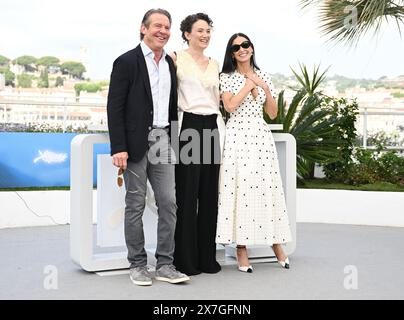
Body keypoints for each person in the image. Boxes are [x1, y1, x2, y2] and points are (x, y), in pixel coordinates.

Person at [106, 8, 190, 286]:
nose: (162, 31)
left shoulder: (169, 64)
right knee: (135, 204)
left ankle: (165, 263)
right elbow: (114, 108)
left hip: (163, 141)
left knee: (169, 202)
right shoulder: (126, 62)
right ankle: (138, 265)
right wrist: (119, 146)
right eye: (157, 25)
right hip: (134, 142)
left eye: (167, 27)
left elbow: (171, 107)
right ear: (143, 28)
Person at [215, 33, 293, 273]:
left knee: (266, 188)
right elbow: (229, 106)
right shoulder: (226, 77)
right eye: (236, 46)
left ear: (252, 48)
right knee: (241, 188)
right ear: (231, 53)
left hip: (260, 135)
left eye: (245, 44)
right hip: (238, 134)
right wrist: (249, 84)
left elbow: (271, 113)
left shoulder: (265, 76)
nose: (242, 49)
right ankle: (241, 248)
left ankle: (276, 243)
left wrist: (265, 89)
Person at [169, 13, 225, 275]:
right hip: (188, 125)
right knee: (188, 195)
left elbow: (220, 100)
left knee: (209, 195)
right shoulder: (176, 58)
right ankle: (185, 260)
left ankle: (207, 259)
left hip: (212, 126)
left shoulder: (215, 63)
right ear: (187, 33)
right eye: (200, 30)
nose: (205, 35)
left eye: (208, 31)